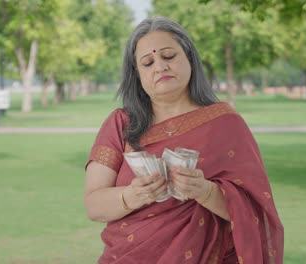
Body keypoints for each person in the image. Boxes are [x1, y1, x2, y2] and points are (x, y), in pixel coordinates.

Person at [84, 16, 284, 264]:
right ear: (138, 75)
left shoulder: (225, 123)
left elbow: (253, 210)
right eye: (148, 63)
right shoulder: (121, 124)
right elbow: (94, 205)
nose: (160, 67)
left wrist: (204, 191)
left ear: (189, 58)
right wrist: (133, 195)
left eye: (168, 56)